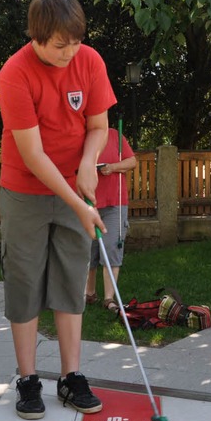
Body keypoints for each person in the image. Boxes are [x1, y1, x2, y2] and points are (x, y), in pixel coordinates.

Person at [0, 0, 116, 420]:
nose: (71, 52)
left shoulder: (90, 61)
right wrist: (80, 204)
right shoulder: (14, 74)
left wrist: (87, 162)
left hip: (73, 192)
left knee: (69, 279)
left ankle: (70, 377)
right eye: (60, 45)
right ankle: (28, 381)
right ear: (37, 37)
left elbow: (98, 126)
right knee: (25, 281)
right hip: (25, 192)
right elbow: (33, 156)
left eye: (76, 41)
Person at [84, 126, 137, 311]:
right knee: (89, 250)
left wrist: (112, 168)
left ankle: (109, 298)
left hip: (115, 202)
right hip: (88, 201)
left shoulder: (115, 135)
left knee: (112, 247)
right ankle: (89, 293)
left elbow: (132, 161)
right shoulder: (81, 136)